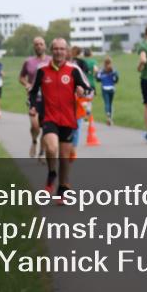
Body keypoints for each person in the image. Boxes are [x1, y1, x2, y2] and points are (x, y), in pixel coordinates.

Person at [27, 38, 91, 198]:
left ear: (66, 51)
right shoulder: (42, 70)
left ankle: (62, 188)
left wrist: (83, 91)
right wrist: (33, 106)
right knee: (51, 148)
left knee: (64, 158)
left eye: (62, 49)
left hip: (68, 119)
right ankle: (51, 173)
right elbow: (33, 91)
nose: (59, 52)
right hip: (49, 117)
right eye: (56, 49)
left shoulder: (74, 69)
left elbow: (90, 90)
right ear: (51, 50)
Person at [20, 37, 51, 159]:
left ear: (45, 46)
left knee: (46, 127)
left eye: (41, 44)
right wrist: (27, 84)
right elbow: (21, 77)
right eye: (36, 44)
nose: (39, 46)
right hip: (33, 98)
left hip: (48, 99)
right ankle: (34, 141)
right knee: (35, 125)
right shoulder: (28, 62)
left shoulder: (51, 60)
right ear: (34, 47)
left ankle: (42, 152)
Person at [97, 56, 119, 125]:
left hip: (104, 88)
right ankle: (110, 118)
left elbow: (98, 79)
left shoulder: (101, 70)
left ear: (104, 63)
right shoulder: (114, 70)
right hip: (112, 88)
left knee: (106, 103)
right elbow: (116, 79)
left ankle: (108, 116)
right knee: (110, 103)